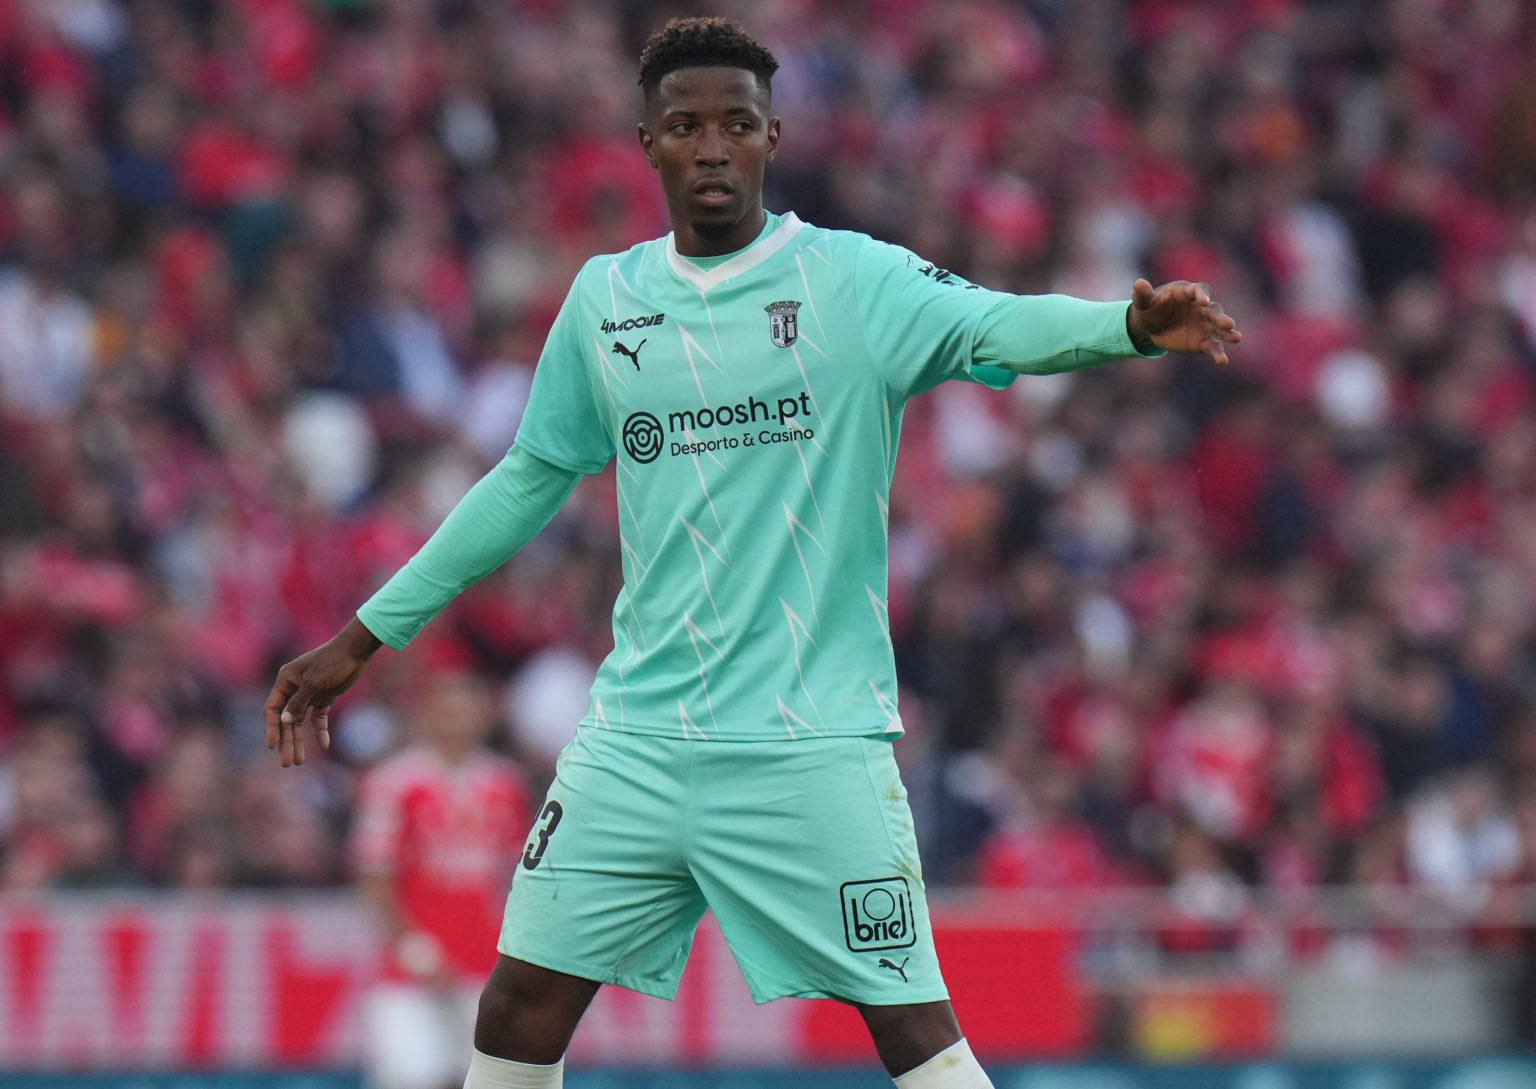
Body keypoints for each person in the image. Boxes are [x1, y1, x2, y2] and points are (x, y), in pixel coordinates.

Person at [264, 17, 1242, 1089]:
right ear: (649, 143)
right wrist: (364, 638)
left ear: (773, 136)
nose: (714, 146)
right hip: (636, 736)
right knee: (519, 1003)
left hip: (808, 740)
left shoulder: (852, 282)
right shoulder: (607, 303)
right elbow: (524, 481)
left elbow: (993, 326)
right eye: (687, 126)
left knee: (911, 1026)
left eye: (737, 124)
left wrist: (1128, 328)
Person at [349, 669, 531, 1089]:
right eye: (447, 711)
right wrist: (415, 950)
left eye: (466, 711)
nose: (457, 721)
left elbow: (518, 879)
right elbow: (373, 879)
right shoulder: (395, 784)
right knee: (412, 1077)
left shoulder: (506, 784)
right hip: (412, 974)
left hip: (487, 969)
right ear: (427, 715)